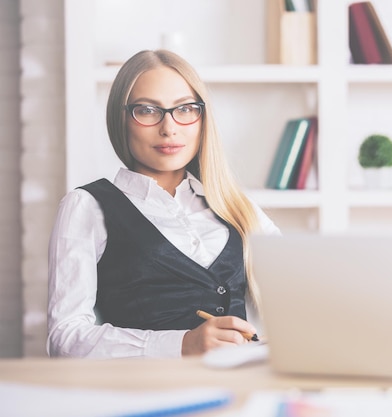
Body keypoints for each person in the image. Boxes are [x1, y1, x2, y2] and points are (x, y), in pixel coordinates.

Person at [47, 50, 280, 358]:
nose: (169, 128)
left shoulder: (236, 206)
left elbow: (306, 291)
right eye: (146, 110)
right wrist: (183, 344)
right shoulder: (86, 206)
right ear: (122, 119)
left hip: (237, 392)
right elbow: (65, 339)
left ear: (201, 118)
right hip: (147, 395)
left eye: (184, 109)